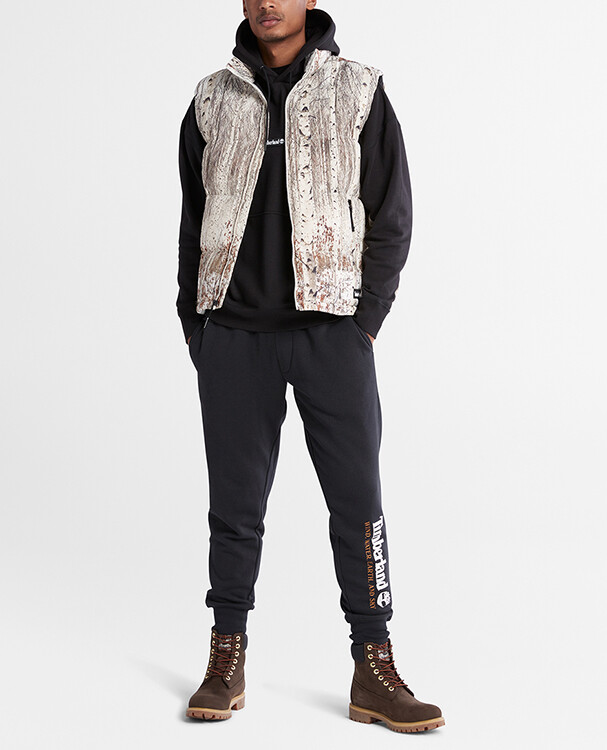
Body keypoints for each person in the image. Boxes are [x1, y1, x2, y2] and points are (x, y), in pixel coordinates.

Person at [176, 0, 444, 733]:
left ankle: (374, 665)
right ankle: (225, 656)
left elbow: (391, 213)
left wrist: (364, 323)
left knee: (359, 504)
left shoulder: (357, 88)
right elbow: (194, 218)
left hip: (331, 333)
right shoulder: (211, 98)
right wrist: (198, 327)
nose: (268, 3)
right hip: (234, 335)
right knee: (234, 510)